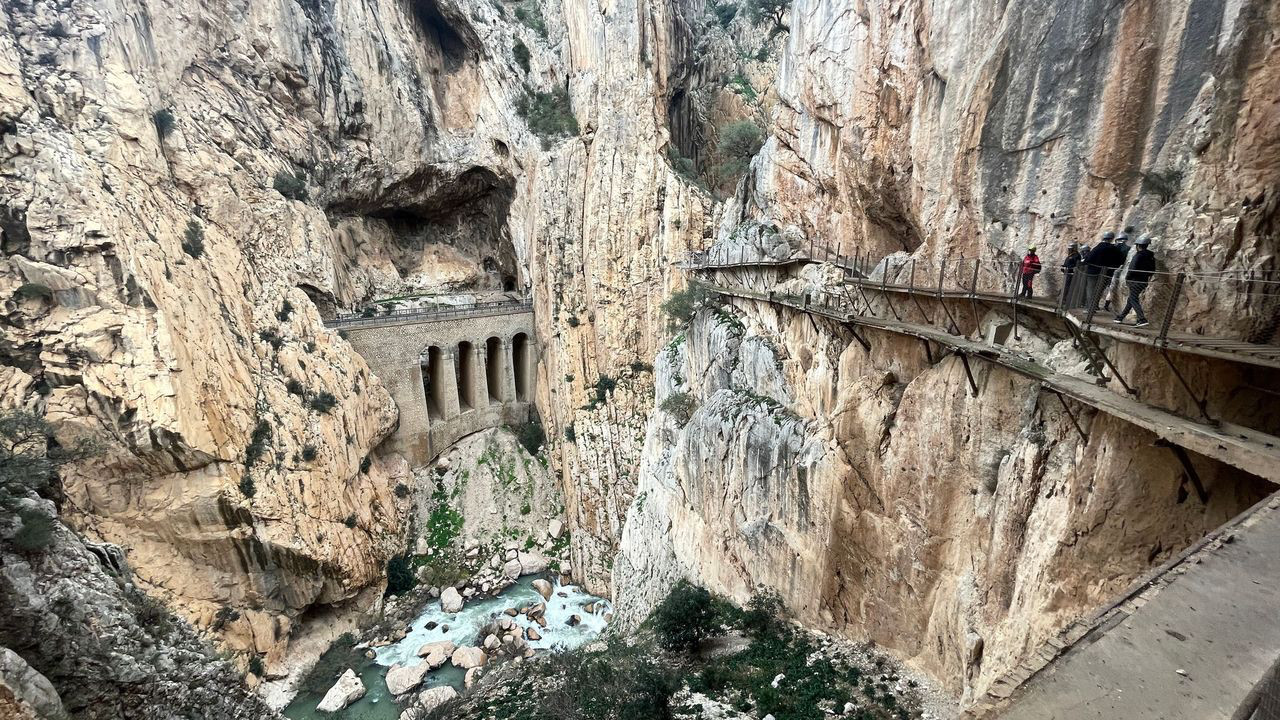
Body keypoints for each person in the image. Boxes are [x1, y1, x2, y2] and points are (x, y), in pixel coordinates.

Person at [1115, 236, 1156, 327]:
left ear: (1138, 246)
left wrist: (1127, 278)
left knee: (1133, 299)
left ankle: (1142, 319)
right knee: (1131, 299)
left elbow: (1132, 268)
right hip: (1144, 281)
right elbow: (1152, 270)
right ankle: (1120, 317)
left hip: (1134, 281)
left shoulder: (1138, 256)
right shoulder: (1151, 257)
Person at [1083, 231, 1125, 313]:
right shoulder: (1115, 249)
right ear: (1112, 239)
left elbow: (1088, 260)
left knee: (1091, 290)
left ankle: (1090, 308)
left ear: (1103, 238)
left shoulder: (1097, 248)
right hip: (1107, 274)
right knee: (1100, 290)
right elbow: (1120, 261)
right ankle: (1095, 306)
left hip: (1093, 273)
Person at [1103, 233, 1132, 311]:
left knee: (1109, 287)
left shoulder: (1112, 247)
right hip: (1121, 269)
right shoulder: (1128, 248)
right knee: (1114, 287)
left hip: (1109, 269)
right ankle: (1108, 304)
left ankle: (1105, 304)